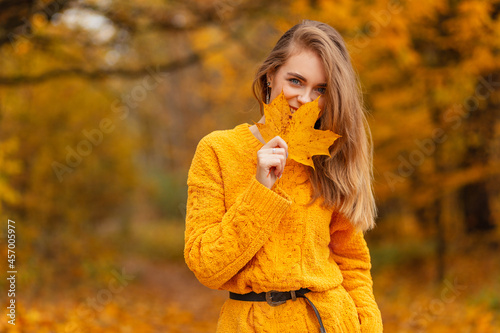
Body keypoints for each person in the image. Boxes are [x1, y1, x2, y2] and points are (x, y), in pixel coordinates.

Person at [184, 20, 383, 332]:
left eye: (321, 89)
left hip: (329, 321)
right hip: (249, 323)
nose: (305, 99)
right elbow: (207, 267)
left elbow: (353, 264)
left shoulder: (328, 157)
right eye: (295, 81)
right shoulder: (217, 150)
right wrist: (261, 188)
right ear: (270, 76)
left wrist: (369, 327)